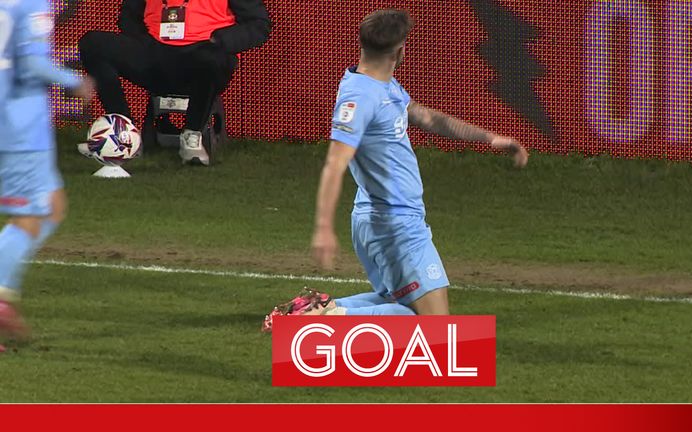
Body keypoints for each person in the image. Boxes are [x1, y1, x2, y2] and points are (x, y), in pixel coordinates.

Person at [262, 9, 527, 330]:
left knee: (400, 304)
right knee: (435, 329)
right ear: (400, 50)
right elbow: (335, 162)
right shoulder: (360, 97)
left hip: (386, 219)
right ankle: (321, 319)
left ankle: (322, 309)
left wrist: (489, 138)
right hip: (394, 225)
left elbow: (425, 117)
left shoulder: (380, 84)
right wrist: (323, 227)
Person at [0, 0, 95, 351]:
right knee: (28, 218)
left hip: (15, 122)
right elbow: (32, 63)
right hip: (21, 127)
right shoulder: (31, 3)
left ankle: (4, 287)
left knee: (53, 206)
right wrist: (76, 80)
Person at [78, 0, 271, 166]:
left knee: (211, 58)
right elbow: (128, 17)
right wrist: (144, 40)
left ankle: (192, 135)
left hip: (203, 52)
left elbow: (259, 25)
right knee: (93, 43)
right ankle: (124, 133)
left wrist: (219, 40)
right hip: (156, 51)